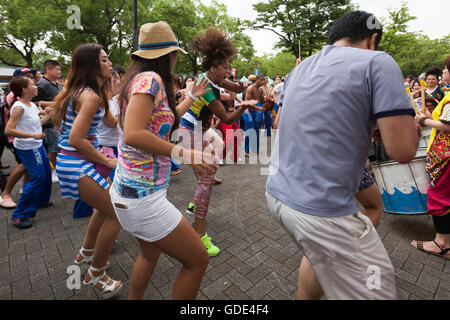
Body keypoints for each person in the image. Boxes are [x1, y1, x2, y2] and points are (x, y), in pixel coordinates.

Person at [266, 11, 418, 300]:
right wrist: (413, 120)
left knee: (319, 252)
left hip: (278, 193)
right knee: (379, 288)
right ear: (373, 40)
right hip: (320, 208)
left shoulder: (301, 67)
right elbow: (402, 151)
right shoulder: (378, 61)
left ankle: (333, 256)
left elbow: (279, 123)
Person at [111, 21, 215, 299]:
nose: (176, 59)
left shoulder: (138, 79)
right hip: (143, 198)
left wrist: (192, 96)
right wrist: (186, 153)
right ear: (168, 55)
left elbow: (163, 120)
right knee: (198, 260)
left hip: (128, 193)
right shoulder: (152, 80)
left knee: (149, 254)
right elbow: (134, 133)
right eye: (175, 53)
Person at [52, 43, 122, 299]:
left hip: (76, 161)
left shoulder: (92, 93)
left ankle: (87, 253)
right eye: (104, 60)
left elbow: (111, 123)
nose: (110, 64)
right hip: (75, 161)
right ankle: (97, 273)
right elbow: (76, 139)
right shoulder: (89, 97)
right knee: (117, 212)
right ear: (92, 66)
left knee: (103, 209)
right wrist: (109, 162)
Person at [179, 26, 257, 256]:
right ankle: (199, 236)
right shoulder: (207, 89)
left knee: (209, 170)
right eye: (224, 68)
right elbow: (227, 117)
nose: (227, 72)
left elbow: (232, 85)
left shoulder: (211, 78)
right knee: (207, 175)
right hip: (189, 133)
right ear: (213, 68)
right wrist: (244, 105)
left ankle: (195, 204)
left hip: (196, 132)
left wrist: (241, 86)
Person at [411, 56, 450, 260]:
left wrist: (424, 119)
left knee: (439, 195)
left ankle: (441, 243)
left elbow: (447, 125)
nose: (443, 73)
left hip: (445, 155)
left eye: (445, 69)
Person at [5, 76, 52, 229]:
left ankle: (41, 201)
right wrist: (33, 136)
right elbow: (8, 130)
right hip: (28, 147)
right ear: (24, 89)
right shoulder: (19, 107)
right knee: (38, 177)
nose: (36, 86)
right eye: (33, 84)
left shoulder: (31, 105)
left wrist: (48, 115)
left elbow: (36, 125)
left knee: (46, 173)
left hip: (36, 144)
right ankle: (19, 214)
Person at [33, 60, 63, 184]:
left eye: (59, 69)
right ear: (48, 69)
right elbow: (33, 102)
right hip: (47, 122)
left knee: (56, 147)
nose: (59, 71)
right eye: (57, 69)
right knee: (53, 148)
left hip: (58, 121)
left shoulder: (59, 84)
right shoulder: (41, 84)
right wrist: (52, 104)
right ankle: (51, 172)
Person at [243, 75, 266, 157]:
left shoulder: (260, 90)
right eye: (262, 80)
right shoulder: (250, 88)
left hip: (254, 111)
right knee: (250, 130)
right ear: (257, 80)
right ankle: (246, 151)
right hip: (247, 111)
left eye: (264, 80)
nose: (263, 82)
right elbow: (247, 102)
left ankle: (255, 148)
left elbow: (263, 101)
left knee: (256, 130)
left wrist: (269, 98)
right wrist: (258, 108)